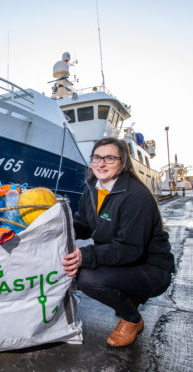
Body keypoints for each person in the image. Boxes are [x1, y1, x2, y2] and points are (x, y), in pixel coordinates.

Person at [62, 137, 175, 347]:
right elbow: (84, 225)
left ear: (123, 163)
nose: (101, 164)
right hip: (122, 260)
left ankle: (132, 319)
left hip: (151, 268)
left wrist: (84, 256)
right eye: (97, 158)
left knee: (86, 278)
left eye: (109, 158)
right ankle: (129, 295)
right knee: (72, 267)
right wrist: (57, 231)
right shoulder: (93, 189)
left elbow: (129, 249)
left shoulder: (135, 196)